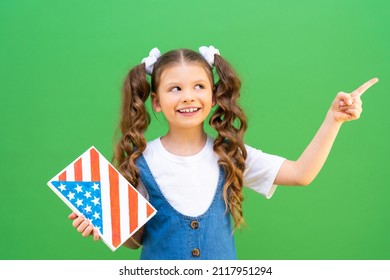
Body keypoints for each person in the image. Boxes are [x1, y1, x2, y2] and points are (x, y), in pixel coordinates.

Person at [68, 46, 379, 259]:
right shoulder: (141, 162)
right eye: (175, 88)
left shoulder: (230, 154)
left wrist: (333, 119)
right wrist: (104, 223)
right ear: (156, 102)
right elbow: (135, 242)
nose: (188, 96)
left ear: (214, 95)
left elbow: (301, 173)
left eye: (199, 86)